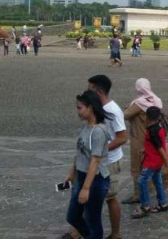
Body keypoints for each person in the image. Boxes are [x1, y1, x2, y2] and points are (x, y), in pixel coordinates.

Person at [65, 91, 112, 239]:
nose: (78, 111)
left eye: (80, 108)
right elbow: (81, 151)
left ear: (90, 108)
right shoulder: (87, 126)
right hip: (82, 176)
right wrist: (72, 172)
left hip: (96, 180)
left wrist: (86, 188)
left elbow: (95, 160)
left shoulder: (98, 131)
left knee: (93, 220)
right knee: (72, 216)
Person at [87, 75, 127, 239]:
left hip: (110, 161)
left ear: (100, 91)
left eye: (90, 89)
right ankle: (79, 231)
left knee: (110, 198)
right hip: (97, 160)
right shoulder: (96, 107)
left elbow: (123, 137)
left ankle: (116, 234)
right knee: (87, 196)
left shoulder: (113, 110)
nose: (86, 92)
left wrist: (101, 149)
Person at [123, 78, 164, 205]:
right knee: (150, 167)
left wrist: (128, 108)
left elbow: (126, 115)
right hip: (150, 138)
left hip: (138, 138)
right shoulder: (155, 100)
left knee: (136, 168)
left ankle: (138, 195)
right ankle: (151, 190)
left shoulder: (139, 102)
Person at [132, 107, 168, 219]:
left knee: (142, 180)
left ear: (146, 117)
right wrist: (146, 150)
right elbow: (158, 144)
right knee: (157, 181)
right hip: (157, 161)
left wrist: (167, 161)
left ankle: (145, 206)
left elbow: (159, 147)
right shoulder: (159, 127)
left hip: (151, 162)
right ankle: (163, 203)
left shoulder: (152, 130)